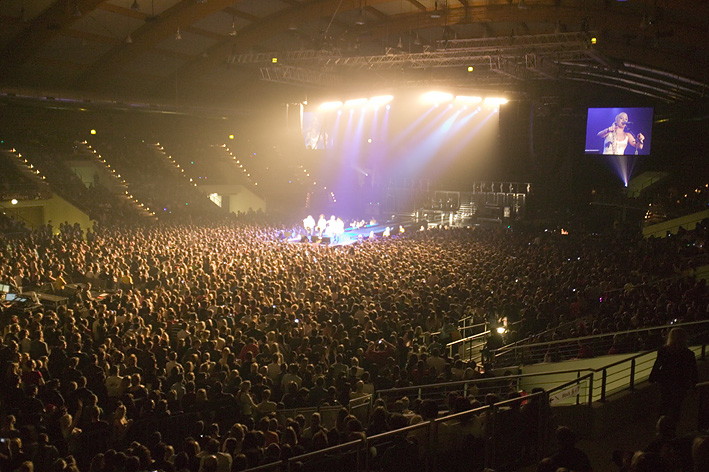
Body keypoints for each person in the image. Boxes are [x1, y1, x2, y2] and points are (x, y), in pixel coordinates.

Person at [649, 328, 698, 421]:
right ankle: (673, 424)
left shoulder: (664, 350)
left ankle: (661, 423)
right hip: (681, 382)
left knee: (664, 403)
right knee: (676, 406)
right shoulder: (689, 354)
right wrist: (694, 386)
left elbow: (657, 365)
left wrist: (652, 378)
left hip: (665, 381)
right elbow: (693, 371)